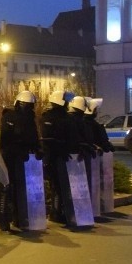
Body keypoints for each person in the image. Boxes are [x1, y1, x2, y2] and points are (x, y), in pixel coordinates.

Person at [0, 90, 42, 231]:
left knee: (21, 189)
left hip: (23, 160)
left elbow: (33, 137)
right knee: (7, 188)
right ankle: (3, 220)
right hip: (10, 157)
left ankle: (20, 218)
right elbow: (6, 138)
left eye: (30, 106)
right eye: (26, 105)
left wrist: (37, 149)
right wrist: (20, 148)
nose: (28, 109)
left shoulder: (29, 120)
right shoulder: (9, 116)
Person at [41, 90, 80, 223]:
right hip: (59, 156)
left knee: (58, 185)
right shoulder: (58, 117)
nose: (68, 104)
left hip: (58, 156)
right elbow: (51, 139)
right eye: (66, 101)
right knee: (59, 185)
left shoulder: (50, 116)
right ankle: (58, 212)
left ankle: (58, 211)